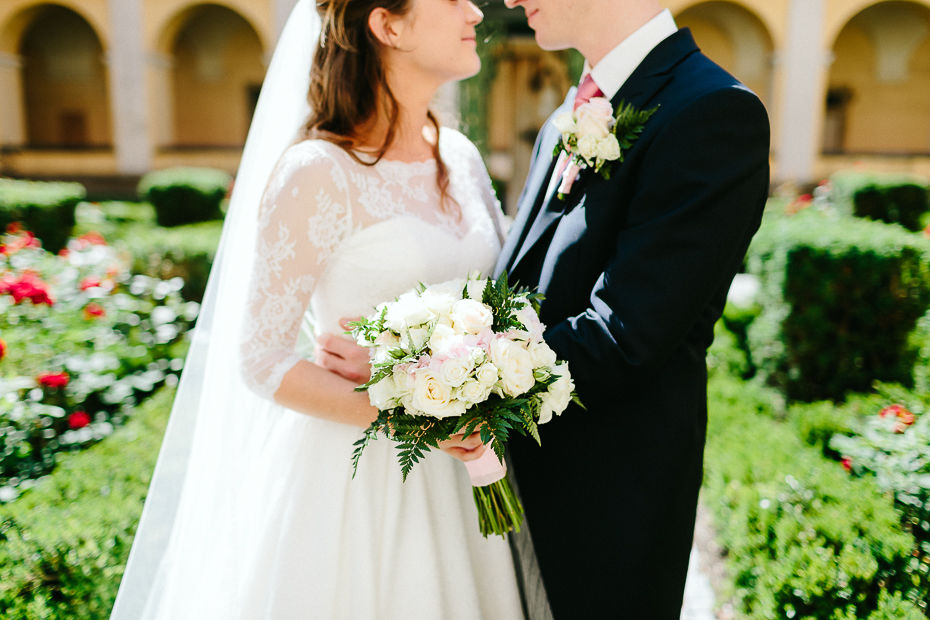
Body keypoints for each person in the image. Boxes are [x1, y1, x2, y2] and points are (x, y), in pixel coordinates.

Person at [111, 0, 526, 618]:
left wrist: (480, 379)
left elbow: (506, 305)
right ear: (388, 26)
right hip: (365, 480)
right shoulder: (318, 172)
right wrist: (413, 415)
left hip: (469, 470)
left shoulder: (460, 156)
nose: (473, 10)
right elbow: (261, 358)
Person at [494, 0, 771, 617]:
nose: (509, 0)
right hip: (514, 483)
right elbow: (520, 289)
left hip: (609, 504)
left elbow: (627, 334)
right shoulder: (572, 111)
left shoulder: (713, 111)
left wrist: (465, 383)